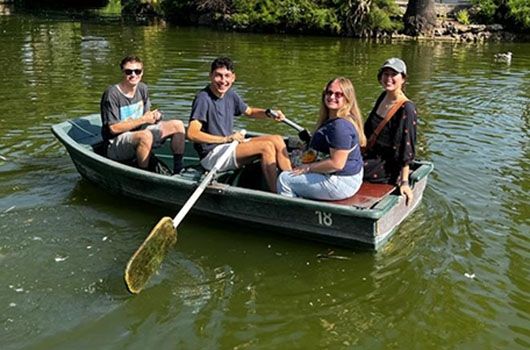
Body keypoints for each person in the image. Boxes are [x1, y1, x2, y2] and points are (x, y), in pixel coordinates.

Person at [186, 57, 292, 192]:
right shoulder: (203, 98)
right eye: (218, 75)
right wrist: (226, 139)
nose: (223, 81)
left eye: (227, 76)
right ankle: (277, 195)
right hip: (212, 155)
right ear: (211, 76)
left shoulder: (230, 94)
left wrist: (268, 113)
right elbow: (192, 133)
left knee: (276, 139)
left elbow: (249, 111)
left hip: (229, 146)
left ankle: (291, 182)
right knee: (266, 147)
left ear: (233, 77)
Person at [277, 77, 366, 200]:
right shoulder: (335, 119)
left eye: (338, 94)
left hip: (342, 181)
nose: (332, 97)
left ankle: (293, 215)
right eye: (329, 93)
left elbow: (337, 164)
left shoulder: (339, 127)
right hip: (348, 175)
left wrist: (307, 168)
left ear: (347, 98)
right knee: (291, 159)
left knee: (284, 179)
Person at [100, 55, 185, 174]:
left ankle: (178, 169)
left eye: (137, 71)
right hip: (115, 143)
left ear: (142, 72)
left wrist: (156, 116)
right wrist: (143, 120)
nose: (133, 75)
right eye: (129, 71)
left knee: (178, 125)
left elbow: (147, 116)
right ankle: (143, 175)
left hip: (139, 133)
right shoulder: (112, 94)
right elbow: (114, 128)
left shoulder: (142, 88)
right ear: (123, 72)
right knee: (145, 136)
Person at [363, 57, 418, 205]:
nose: (388, 78)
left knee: (347, 167)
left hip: (386, 165)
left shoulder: (407, 108)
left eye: (393, 74)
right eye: (385, 74)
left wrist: (405, 181)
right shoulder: (383, 97)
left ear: (403, 79)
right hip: (369, 154)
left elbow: (407, 147)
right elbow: (367, 130)